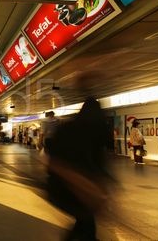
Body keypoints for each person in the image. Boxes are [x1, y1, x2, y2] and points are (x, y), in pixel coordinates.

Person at [47, 97, 111, 241]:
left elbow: (54, 156)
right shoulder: (93, 132)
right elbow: (97, 162)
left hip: (62, 186)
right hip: (75, 187)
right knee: (86, 222)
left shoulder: (67, 129)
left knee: (84, 223)